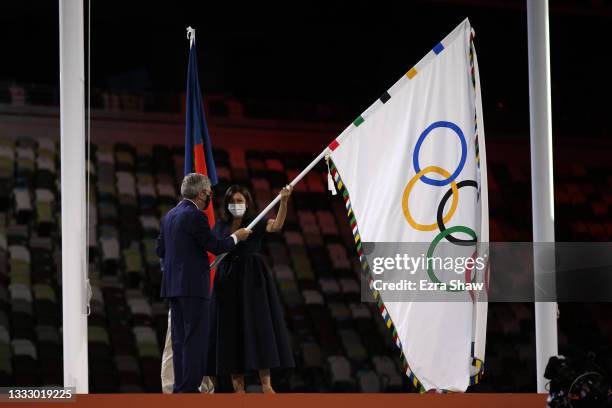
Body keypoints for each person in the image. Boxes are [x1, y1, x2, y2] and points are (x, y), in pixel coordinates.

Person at [156, 173, 251, 393]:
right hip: (193, 288)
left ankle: (181, 387)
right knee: (194, 340)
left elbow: (160, 249)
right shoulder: (195, 216)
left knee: (179, 340)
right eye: (208, 194)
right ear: (201, 194)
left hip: (172, 287)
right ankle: (189, 388)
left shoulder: (170, 215)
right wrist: (237, 237)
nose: (209, 198)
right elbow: (215, 246)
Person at [212, 184, 295, 393]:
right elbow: (214, 248)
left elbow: (276, 226)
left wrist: (283, 201)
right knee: (231, 331)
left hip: (253, 278)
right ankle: (238, 387)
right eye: (232, 201)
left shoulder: (256, 222)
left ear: (247, 203)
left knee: (259, 327)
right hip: (228, 279)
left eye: (240, 201)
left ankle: (266, 385)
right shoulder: (220, 227)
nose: (236, 205)